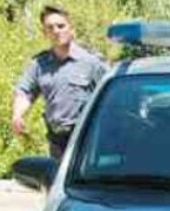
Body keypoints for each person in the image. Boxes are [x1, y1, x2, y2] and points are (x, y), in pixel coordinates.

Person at [12, 5, 109, 161]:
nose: (56, 31)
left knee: (82, 183)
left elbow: (110, 94)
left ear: (71, 29)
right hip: (56, 139)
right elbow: (25, 91)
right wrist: (17, 115)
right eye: (50, 28)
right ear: (45, 33)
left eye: (61, 26)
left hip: (86, 137)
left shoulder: (91, 62)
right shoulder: (39, 64)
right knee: (58, 181)